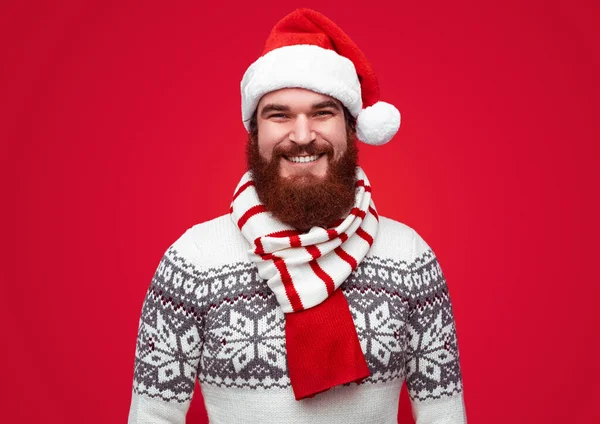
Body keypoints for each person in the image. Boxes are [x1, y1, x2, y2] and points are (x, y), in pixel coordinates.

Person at [127, 8, 467, 424]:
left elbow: (443, 416)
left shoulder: (410, 257)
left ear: (351, 128)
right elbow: (152, 417)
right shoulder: (193, 262)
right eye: (280, 114)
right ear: (254, 131)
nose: (303, 135)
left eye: (323, 112)